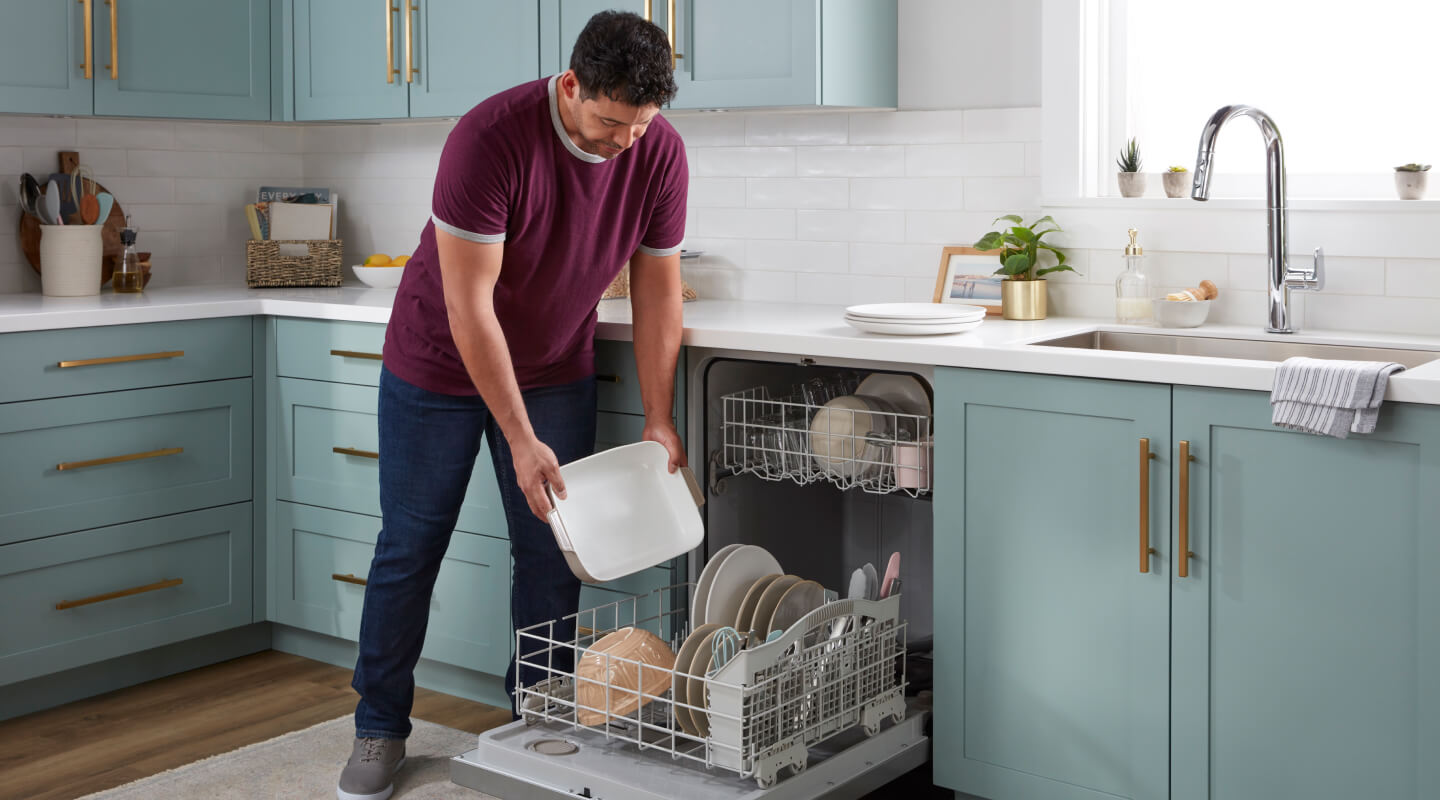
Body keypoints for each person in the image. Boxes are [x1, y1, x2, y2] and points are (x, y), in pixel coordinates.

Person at [336, 11, 687, 800]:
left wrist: (658, 414)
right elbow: (470, 307)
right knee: (411, 547)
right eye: (608, 123)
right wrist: (521, 437)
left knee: (549, 553)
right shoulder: (489, 138)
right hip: (437, 364)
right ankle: (379, 726)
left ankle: (542, 718)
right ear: (571, 87)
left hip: (556, 364)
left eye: (638, 127)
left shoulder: (655, 149)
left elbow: (660, 287)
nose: (622, 144)